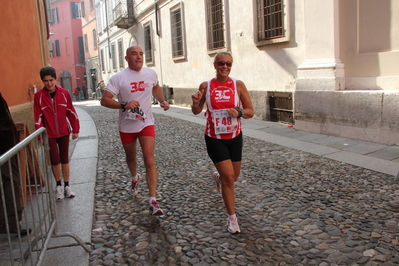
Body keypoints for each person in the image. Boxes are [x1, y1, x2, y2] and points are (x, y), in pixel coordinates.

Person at [100, 45, 170, 215]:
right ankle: (134, 177)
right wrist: (123, 104)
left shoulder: (150, 73)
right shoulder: (119, 78)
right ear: (127, 58)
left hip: (146, 122)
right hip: (127, 125)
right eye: (134, 54)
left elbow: (155, 86)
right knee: (131, 156)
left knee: (149, 160)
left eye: (140, 54)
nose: (138, 57)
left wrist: (161, 100)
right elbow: (104, 100)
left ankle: (153, 200)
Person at [191, 51, 254, 233]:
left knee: (233, 177)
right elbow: (196, 110)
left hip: (235, 136)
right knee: (229, 179)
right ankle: (232, 218)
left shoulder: (238, 85)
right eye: (221, 63)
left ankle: (217, 177)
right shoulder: (206, 85)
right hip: (214, 137)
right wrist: (195, 102)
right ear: (215, 65)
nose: (225, 67)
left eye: (228, 64)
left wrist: (240, 112)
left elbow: (250, 111)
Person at [34, 66, 80, 200]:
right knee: (55, 160)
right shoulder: (39, 96)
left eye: (51, 80)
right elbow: (38, 116)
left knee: (65, 159)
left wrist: (75, 129)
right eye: (45, 81)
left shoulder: (64, 93)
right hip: (50, 135)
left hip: (64, 132)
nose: (49, 83)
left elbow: (71, 112)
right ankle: (58, 186)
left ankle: (67, 186)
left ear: (56, 79)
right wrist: (40, 134)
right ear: (42, 81)